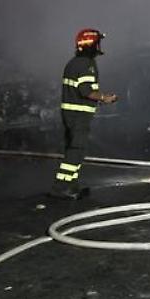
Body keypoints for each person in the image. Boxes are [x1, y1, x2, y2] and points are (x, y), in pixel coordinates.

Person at [49, 28, 117, 200]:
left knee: (76, 150)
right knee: (75, 150)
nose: (99, 45)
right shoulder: (86, 64)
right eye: (97, 42)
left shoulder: (73, 62)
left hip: (72, 114)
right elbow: (85, 90)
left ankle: (71, 186)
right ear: (91, 44)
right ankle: (60, 187)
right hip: (78, 116)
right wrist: (104, 98)